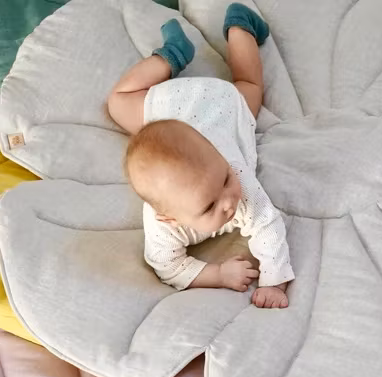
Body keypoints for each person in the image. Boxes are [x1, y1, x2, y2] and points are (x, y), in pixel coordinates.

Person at [107, 3, 293, 309]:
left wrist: (274, 282)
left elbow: (268, 225)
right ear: (168, 217)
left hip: (222, 106)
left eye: (225, 179)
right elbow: (168, 266)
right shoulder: (162, 229)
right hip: (171, 105)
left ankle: (240, 26)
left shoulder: (236, 176)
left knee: (248, 85)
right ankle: (174, 54)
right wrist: (218, 274)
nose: (229, 201)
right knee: (118, 101)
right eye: (209, 206)